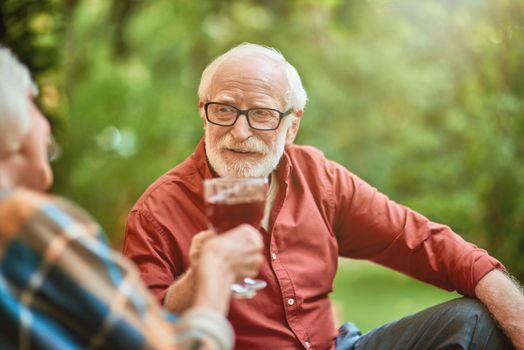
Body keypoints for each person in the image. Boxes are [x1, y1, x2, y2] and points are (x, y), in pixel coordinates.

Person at [123, 43, 524, 349]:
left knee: (472, 321)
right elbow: (138, 332)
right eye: (224, 110)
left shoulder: (319, 179)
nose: (239, 132)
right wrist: (200, 278)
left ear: (292, 125)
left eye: (261, 114)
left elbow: (421, 240)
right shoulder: (158, 211)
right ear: (203, 112)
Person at [0, 46, 265, 350]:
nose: (47, 126)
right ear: (8, 119)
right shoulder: (23, 219)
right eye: (33, 102)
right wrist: (218, 269)